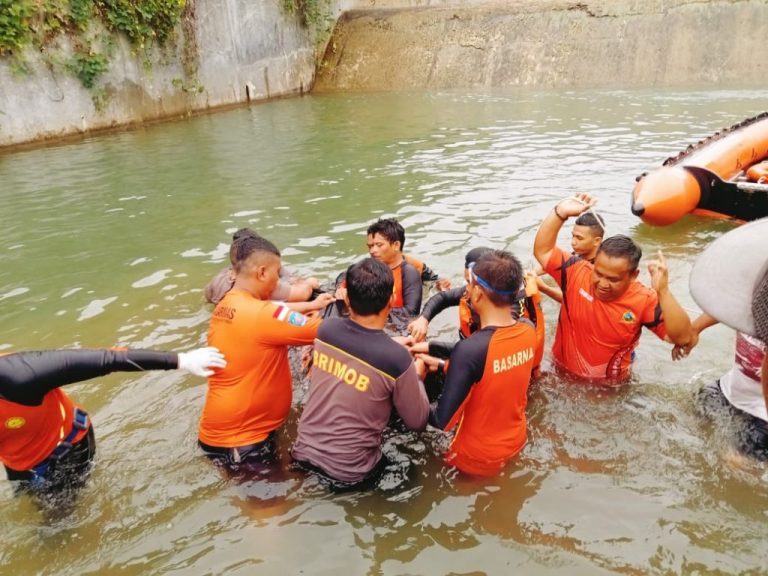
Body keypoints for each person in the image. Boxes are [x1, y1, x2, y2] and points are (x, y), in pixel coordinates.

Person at [1, 346, 225, 494]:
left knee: (55, 525)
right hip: (17, 457)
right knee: (25, 497)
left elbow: (108, 359)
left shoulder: (20, 376)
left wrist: (181, 360)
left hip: (66, 448)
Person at [291, 258, 429, 489]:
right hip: (351, 474)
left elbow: (358, 344)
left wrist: (393, 345)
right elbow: (418, 421)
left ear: (346, 298)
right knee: (416, 477)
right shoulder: (397, 359)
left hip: (302, 457)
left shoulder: (326, 330)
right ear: (392, 300)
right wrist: (416, 373)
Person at [533, 192, 691, 383]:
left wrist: (664, 292)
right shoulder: (576, 270)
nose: (602, 284)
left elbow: (682, 338)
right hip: (561, 371)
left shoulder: (644, 299)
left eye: (613, 279)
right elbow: (543, 250)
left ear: (633, 275)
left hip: (607, 388)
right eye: (598, 273)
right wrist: (560, 213)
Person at [200, 234, 322, 469]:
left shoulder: (228, 303)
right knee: (275, 505)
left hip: (228, 431)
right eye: (277, 274)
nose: (278, 281)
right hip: (242, 442)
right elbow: (325, 331)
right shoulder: (262, 314)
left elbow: (275, 312)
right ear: (262, 272)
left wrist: (310, 306)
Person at [412, 250, 537, 476]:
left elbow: (442, 420)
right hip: (516, 441)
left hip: (475, 457)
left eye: (468, 283)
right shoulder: (528, 328)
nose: (466, 290)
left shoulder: (470, 350)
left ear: (478, 292)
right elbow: (492, 370)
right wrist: (437, 358)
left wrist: (415, 378)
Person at [675, 218, 768, 459]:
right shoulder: (758, 296)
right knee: (687, 418)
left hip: (763, 412)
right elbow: (726, 306)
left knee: (733, 465)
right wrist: (695, 329)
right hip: (731, 390)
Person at [408, 247, 545, 377]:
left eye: (470, 282)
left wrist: (431, 348)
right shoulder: (484, 290)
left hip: (511, 368)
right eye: (466, 281)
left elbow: (484, 349)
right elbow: (443, 298)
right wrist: (423, 319)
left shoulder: (508, 307)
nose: (466, 289)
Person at [204, 228, 322, 308]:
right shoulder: (262, 285)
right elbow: (302, 294)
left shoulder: (218, 280)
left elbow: (208, 298)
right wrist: (309, 283)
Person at [537, 210, 606, 303]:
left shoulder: (599, 271)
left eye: (579, 238)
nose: (573, 242)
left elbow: (576, 301)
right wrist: (530, 273)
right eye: (573, 236)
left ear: (597, 241)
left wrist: (543, 287)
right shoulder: (578, 253)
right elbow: (553, 262)